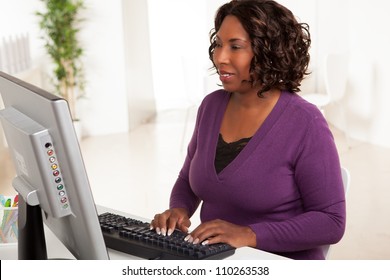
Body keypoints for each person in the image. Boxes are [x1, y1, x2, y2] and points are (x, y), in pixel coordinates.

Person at [151, 0, 346, 260]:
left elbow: (331, 222)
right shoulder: (211, 106)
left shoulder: (305, 122)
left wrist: (248, 234)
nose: (220, 57)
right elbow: (188, 180)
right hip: (219, 260)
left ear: (270, 52)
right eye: (218, 44)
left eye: (236, 46)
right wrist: (178, 210)